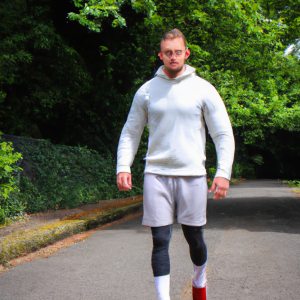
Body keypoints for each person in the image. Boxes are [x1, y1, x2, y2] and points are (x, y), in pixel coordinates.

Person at [116, 28, 235, 300]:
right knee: (160, 240)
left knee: (194, 237)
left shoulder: (203, 89)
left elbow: (222, 134)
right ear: (161, 55)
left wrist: (223, 172)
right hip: (156, 174)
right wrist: (123, 166)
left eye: (177, 52)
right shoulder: (146, 91)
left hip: (192, 174)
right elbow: (131, 132)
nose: (173, 57)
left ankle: (199, 280)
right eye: (167, 52)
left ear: (186, 54)